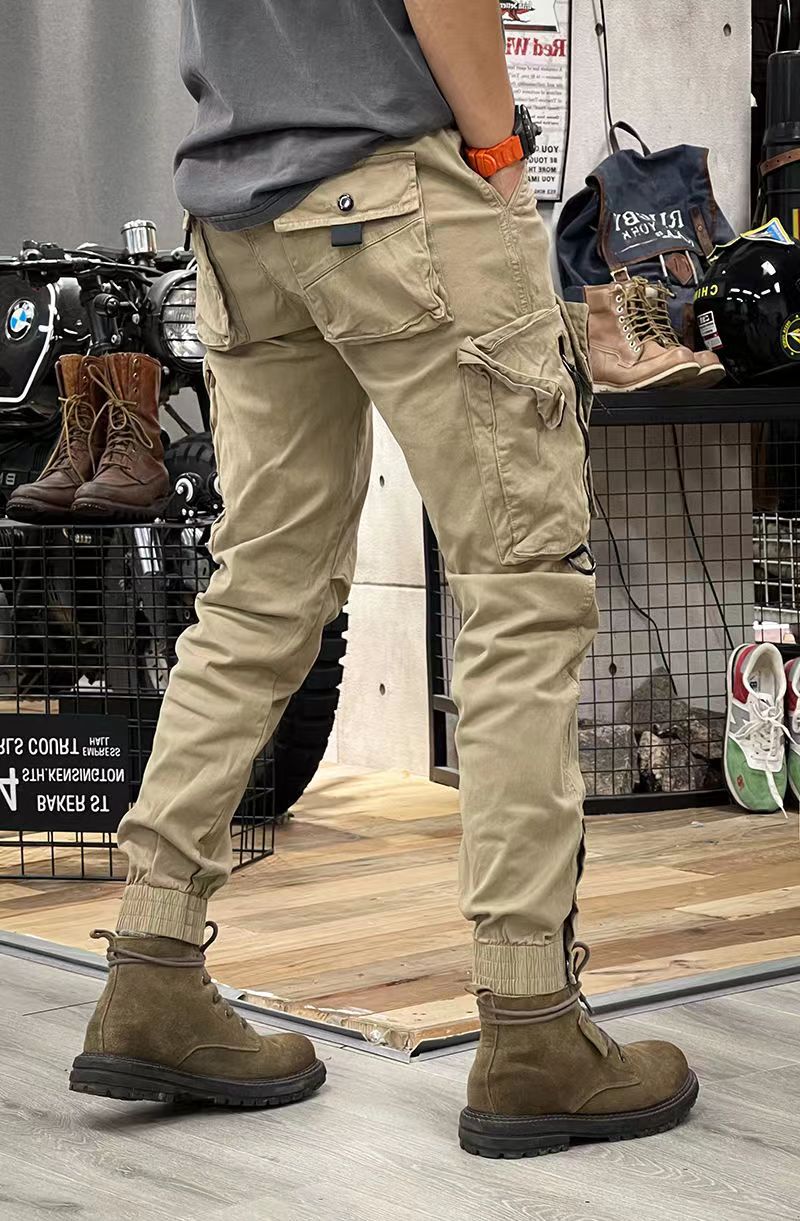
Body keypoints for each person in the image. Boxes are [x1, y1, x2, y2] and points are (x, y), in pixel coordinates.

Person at [70, 0, 698, 1157]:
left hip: (239, 216)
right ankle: (532, 1028)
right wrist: (498, 156)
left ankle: (150, 966)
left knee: (256, 593)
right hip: (396, 186)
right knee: (519, 592)